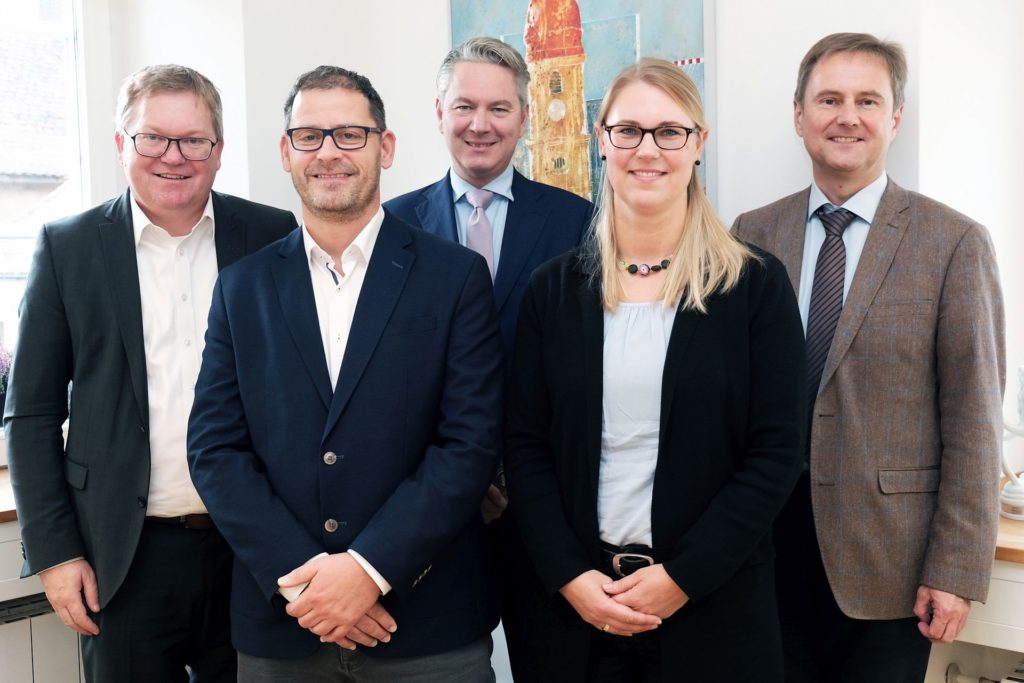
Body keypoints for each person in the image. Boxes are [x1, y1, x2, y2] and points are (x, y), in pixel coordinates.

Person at [187, 65, 503, 681]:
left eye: (350, 135)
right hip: (284, 624)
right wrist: (307, 582)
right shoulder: (241, 287)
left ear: (385, 147)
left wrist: (368, 570)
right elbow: (215, 450)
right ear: (286, 151)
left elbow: (468, 445)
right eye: (309, 136)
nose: (329, 152)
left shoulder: (456, 277)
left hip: (425, 623)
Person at [505, 57, 806, 682]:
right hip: (574, 617)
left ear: (698, 144)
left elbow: (775, 453)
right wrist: (570, 575)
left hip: (713, 610)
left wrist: (681, 578)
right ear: (601, 140)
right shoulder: (552, 291)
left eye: (670, 131)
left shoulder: (753, 285)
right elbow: (525, 449)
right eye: (629, 130)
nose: (649, 150)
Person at [4, 64, 296, 682]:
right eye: (152, 138)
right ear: (120, 144)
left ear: (218, 151)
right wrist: (56, 555)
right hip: (123, 558)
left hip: (251, 551)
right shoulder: (68, 248)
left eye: (194, 140)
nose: (174, 156)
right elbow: (29, 414)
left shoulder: (271, 237)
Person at [732, 32, 1005, 683]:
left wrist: (955, 570)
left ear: (895, 117)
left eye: (866, 100)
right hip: (761, 554)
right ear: (799, 115)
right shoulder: (750, 233)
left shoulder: (954, 242)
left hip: (889, 566)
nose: (846, 116)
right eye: (828, 99)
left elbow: (975, 419)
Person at [384, 36, 591, 676]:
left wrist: (511, 476)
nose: (480, 124)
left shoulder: (578, 221)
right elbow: (385, 378)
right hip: (431, 510)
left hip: (545, 510)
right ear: (438, 112)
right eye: (464, 106)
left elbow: (583, 371)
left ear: (526, 119)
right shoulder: (391, 227)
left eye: (499, 108)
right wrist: (462, 478)